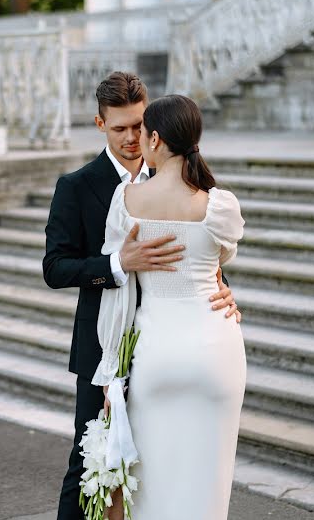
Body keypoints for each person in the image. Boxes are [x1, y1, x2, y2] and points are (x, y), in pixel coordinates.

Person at [43, 72, 240, 520]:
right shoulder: (76, 186)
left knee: (163, 466)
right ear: (99, 125)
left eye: (138, 126)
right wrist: (117, 264)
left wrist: (221, 287)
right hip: (105, 349)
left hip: (169, 343)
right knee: (91, 464)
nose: (132, 138)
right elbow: (54, 268)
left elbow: (199, 252)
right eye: (119, 129)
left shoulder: (182, 180)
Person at [94, 93, 247, 519]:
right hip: (216, 347)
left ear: (156, 139)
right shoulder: (220, 205)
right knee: (208, 483)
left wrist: (110, 371)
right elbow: (219, 260)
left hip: (157, 351)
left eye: (141, 133)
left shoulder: (127, 201)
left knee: (152, 485)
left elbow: (117, 294)